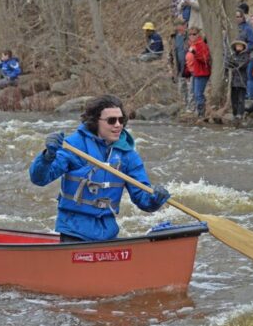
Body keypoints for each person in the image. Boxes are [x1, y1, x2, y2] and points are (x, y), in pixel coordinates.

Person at [29, 95, 171, 242]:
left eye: (121, 120)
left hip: (108, 234)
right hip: (74, 232)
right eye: (111, 120)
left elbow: (142, 199)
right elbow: (39, 179)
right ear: (95, 121)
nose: (118, 125)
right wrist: (47, 156)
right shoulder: (73, 146)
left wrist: (155, 199)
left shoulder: (128, 155)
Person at [186, 27, 211, 119]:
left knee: (198, 93)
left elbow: (204, 59)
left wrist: (195, 53)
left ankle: (202, 114)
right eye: (190, 34)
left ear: (198, 34)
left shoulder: (201, 44)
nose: (192, 36)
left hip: (202, 73)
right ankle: (199, 112)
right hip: (195, 73)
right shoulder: (192, 44)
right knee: (194, 93)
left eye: (194, 34)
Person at [225, 40, 250, 123]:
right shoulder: (232, 55)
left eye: (240, 46)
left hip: (242, 80)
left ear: (243, 47)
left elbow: (242, 65)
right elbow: (227, 65)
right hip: (233, 81)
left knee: (241, 99)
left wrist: (234, 64)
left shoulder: (246, 55)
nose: (238, 47)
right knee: (233, 99)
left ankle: (240, 114)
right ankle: (235, 113)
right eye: (237, 46)